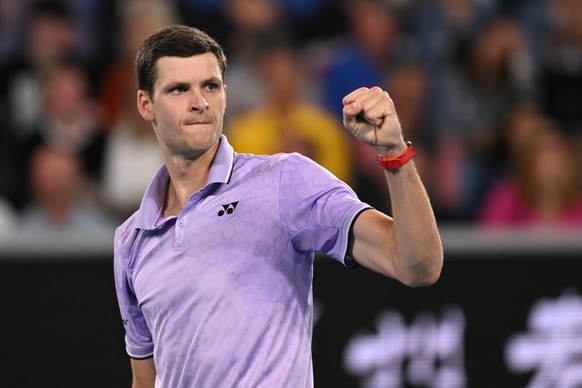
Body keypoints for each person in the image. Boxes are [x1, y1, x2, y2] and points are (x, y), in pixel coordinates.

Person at [113, 25, 443, 387]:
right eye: (179, 89)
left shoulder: (285, 181)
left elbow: (417, 265)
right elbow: (145, 380)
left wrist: (393, 152)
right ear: (146, 104)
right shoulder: (131, 241)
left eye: (210, 86)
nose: (200, 102)